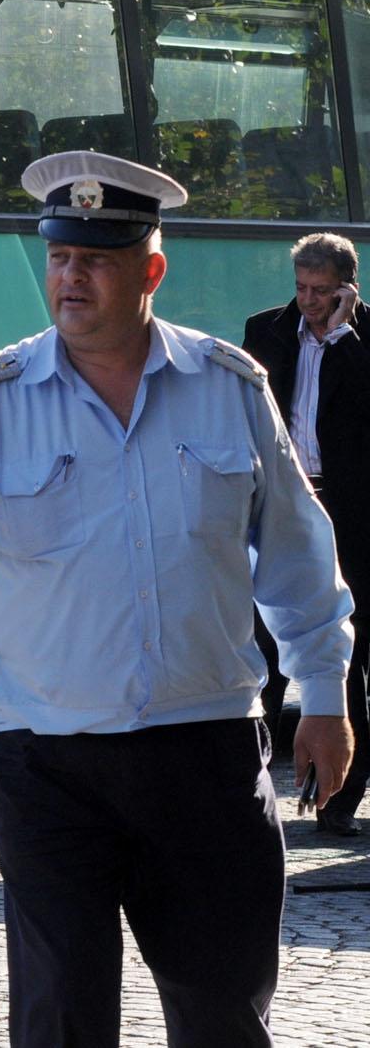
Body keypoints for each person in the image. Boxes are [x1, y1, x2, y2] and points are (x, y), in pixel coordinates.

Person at [0, 150, 355, 1048]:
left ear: (151, 270)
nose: (70, 277)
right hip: (49, 764)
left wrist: (328, 697)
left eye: (97, 260)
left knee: (223, 1015)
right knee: (61, 1019)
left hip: (204, 757)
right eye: (60, 256)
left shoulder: (229, 387)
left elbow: (298, 556)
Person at [243, 232, 370, 836]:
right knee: (262, 651)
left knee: (348, 657)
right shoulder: (265, 331)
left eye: (322, 292)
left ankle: (338, 800)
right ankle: (252, 783)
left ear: (349, 286)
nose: (310, 302)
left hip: (355, 517)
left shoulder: (362, 339)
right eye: (302, 289)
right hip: (284, 507)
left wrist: (343, 337)